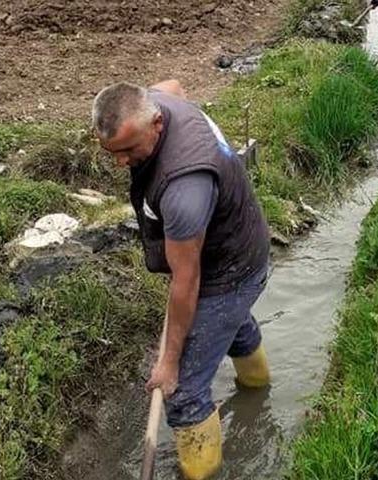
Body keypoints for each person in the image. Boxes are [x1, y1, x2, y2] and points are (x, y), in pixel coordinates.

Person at [91, 80, 271, 480]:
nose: (121, 162)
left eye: (128, 150)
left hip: (231, 271)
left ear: (157, 123)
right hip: (238, 241)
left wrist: (169, 364)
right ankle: (258, 390)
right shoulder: (159, 99)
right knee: (234, 326)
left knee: (185, 394)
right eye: (113, 152)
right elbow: (173, 83)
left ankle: (201, 473)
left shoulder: (184, 190)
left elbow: (186, 283)